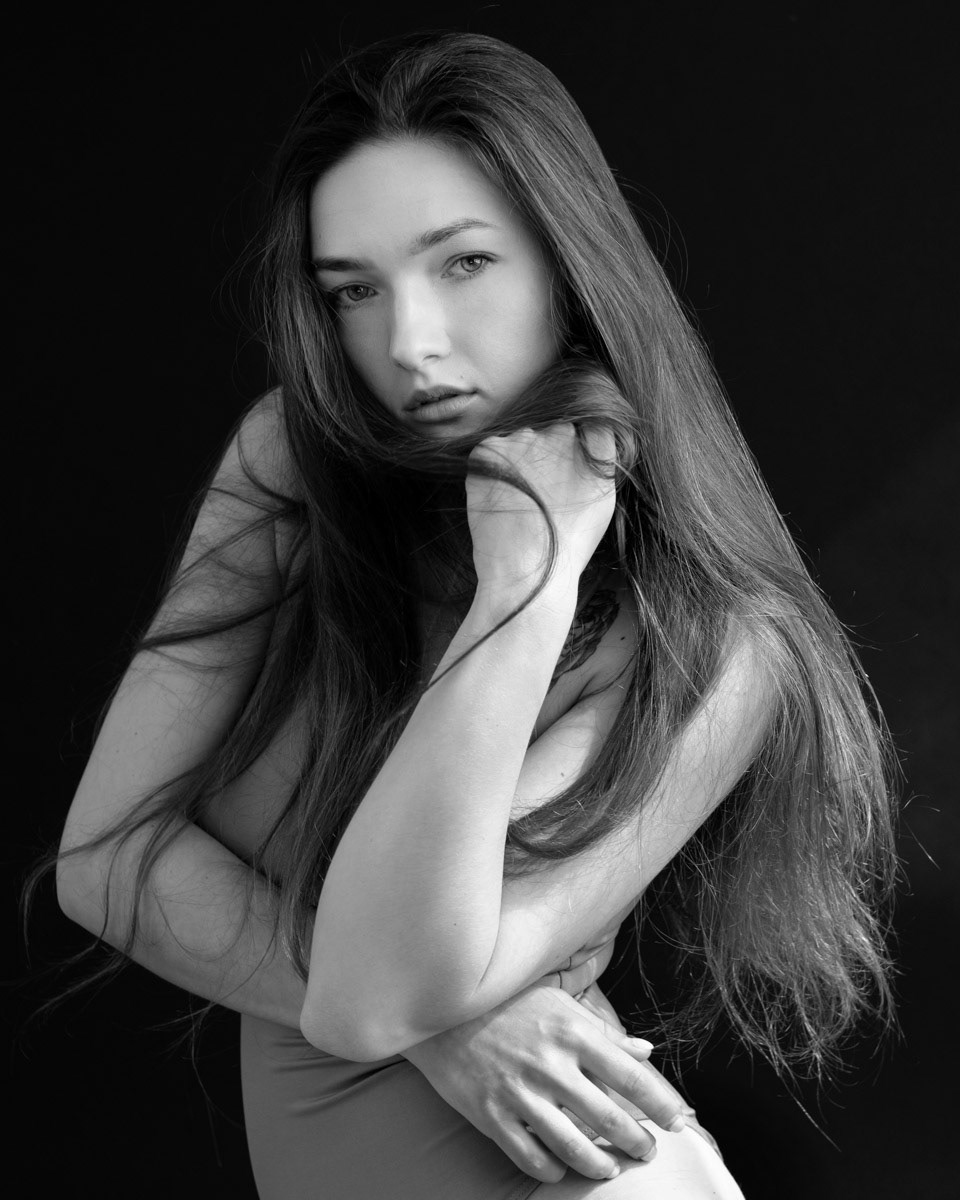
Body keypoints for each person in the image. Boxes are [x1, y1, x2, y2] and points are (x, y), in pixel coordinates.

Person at [34, 28, 898, 1199]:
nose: (411, 344)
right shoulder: (295, 471)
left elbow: (373, 995)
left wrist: (526, 592)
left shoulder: (721, 645)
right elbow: (104, 861)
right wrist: (456, 1029)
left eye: (464, 264)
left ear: (567, 264)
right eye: (354, 290)